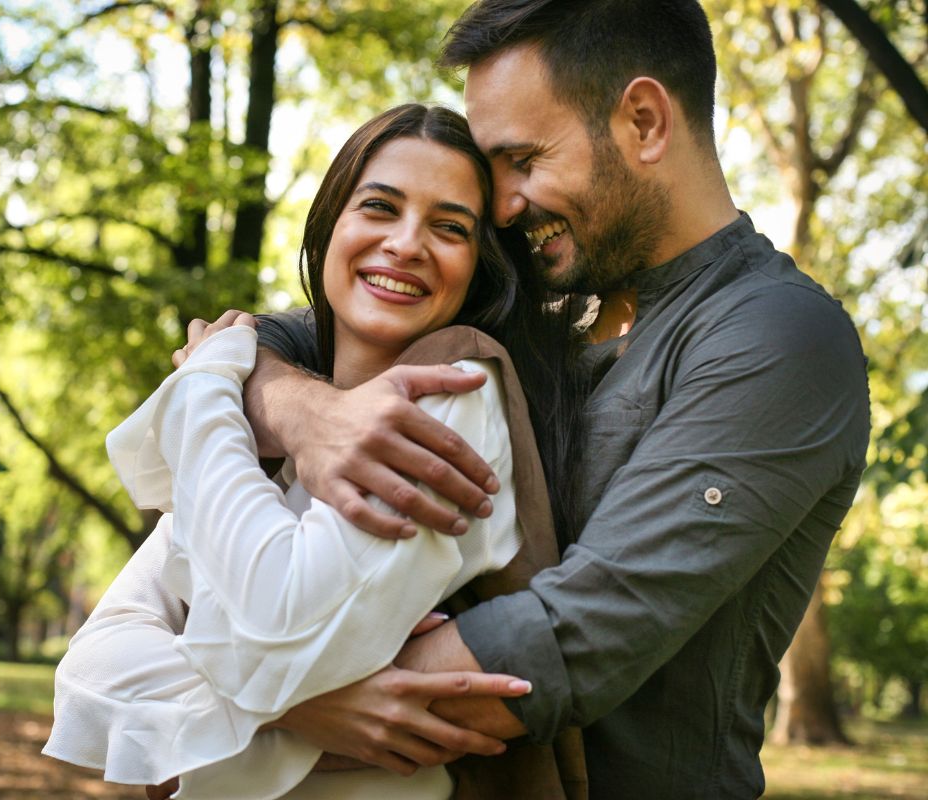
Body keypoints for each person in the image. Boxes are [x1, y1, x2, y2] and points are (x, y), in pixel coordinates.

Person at [226, 1, 871, 797]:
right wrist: (302, 408)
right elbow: (245, 344)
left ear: (643, 122)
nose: (502, 206)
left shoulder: (777, 336)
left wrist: (259, 698)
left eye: (523, 159)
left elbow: (567, 640)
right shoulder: (542, 307)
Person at [43, 104, 585, 799]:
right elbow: (92, 672)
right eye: (379, 207)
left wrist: (205, 383)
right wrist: (298, 712)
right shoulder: (264, 433)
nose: (407, 243)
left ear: (480, 267)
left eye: (450, 227)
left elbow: (276, 623)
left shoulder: (457, 386)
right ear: (330, 226)